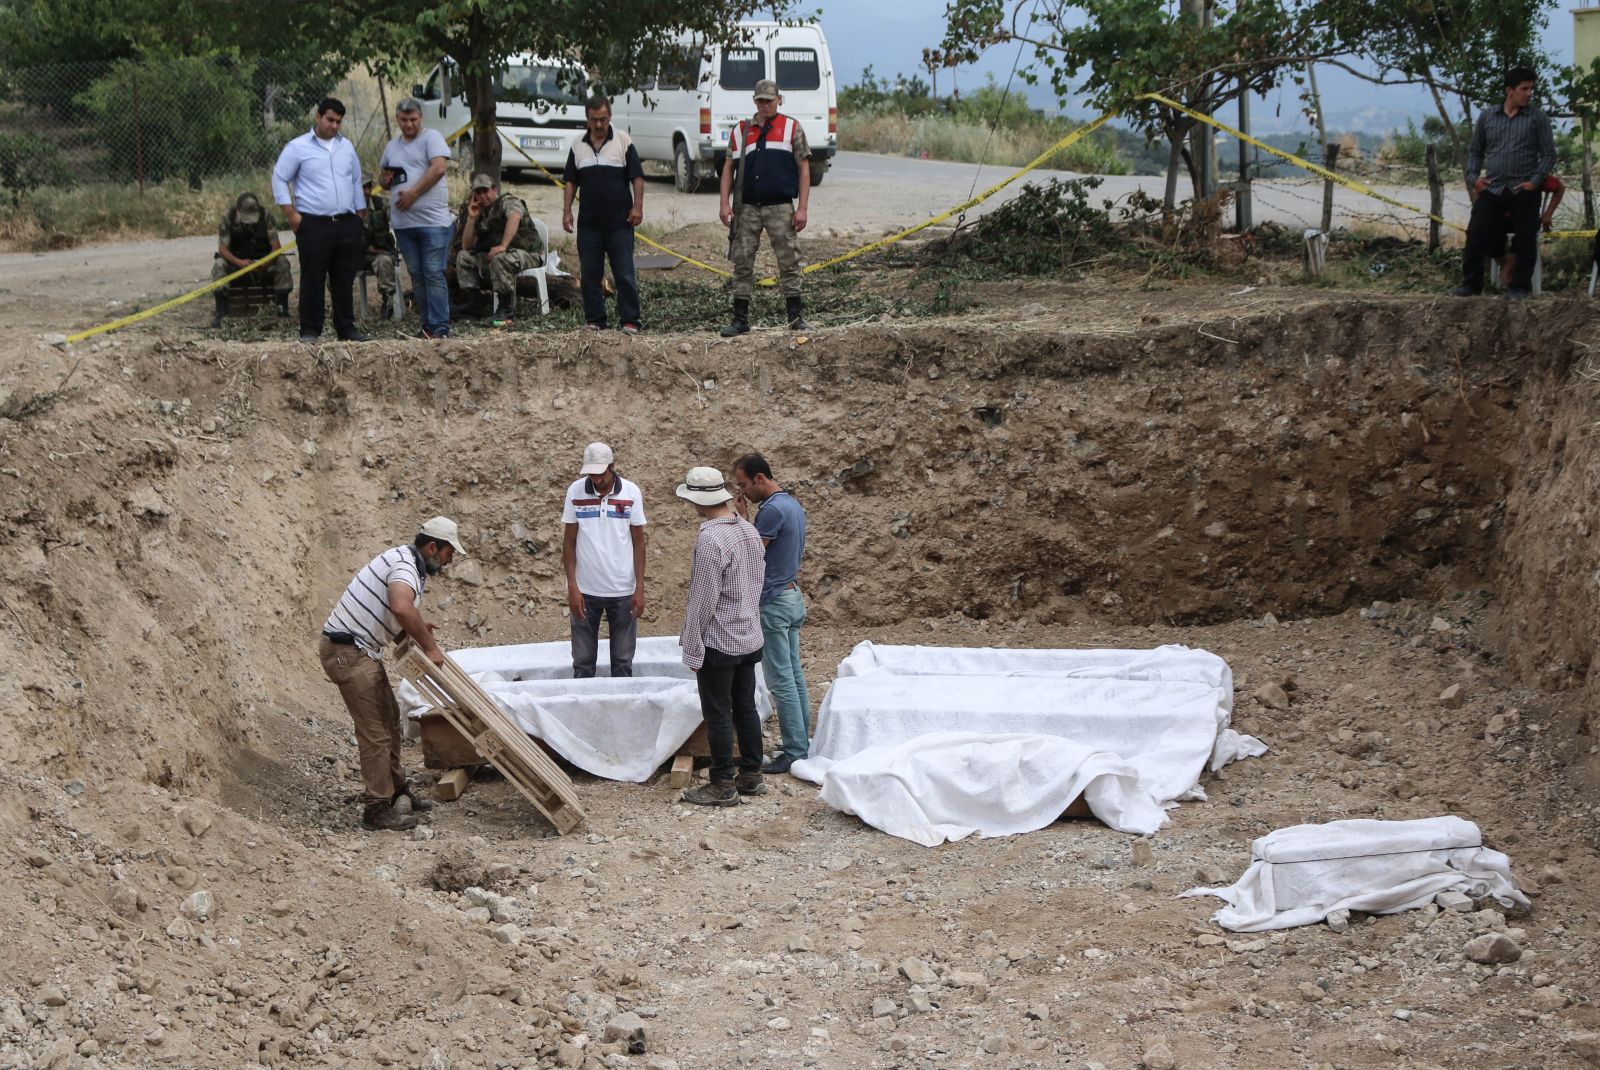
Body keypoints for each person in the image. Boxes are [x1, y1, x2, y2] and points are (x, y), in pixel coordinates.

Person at [319, 516, 467, 831]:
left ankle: (397, 791)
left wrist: (414, 628)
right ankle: (376, 808)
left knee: (389, 720)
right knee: (375, 733)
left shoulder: (406, 561)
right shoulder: (405, 566)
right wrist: (430, 647)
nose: (450, 560)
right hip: (348, 652)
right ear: (432, 547)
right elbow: (400, 606)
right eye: (448, 552)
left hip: (360, 651)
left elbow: (394, 611)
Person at [676, 465, 767, 807]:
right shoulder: (748, 530)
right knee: (745, 708)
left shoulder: (710, 539)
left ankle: (722, 783)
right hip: (748, 633)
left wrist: (692, 645)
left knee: (717, 713)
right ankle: (751, 775)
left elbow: (703, 599)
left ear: (698, 500)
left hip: (720, 639)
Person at [1449, 67, 1557, 301]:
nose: (1529, 93)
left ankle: (1519, 287)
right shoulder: (1488, 116)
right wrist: (1474, 178)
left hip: (1523, 189)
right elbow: (1476, 151)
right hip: (1493, 187)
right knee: (1476, 233)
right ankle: (1471, 285)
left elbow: (1549, 154)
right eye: (1524, 89)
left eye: (1531, 89)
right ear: (1510, 90)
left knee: (1526, 238)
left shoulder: (1537, 118)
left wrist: (1535, 182)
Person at [731, 453, 809, 774]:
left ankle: (794, 750)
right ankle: (801, 742)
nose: (742, 491)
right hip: (791, 595)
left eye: (744, 484)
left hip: (774, 602)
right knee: (794, 674)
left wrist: (741, 520)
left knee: (780, 680)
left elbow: (751, 555)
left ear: (760, 478)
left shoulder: (772, 510)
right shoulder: (791, 505)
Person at [272, 97, 372, 343]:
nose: (334, 126)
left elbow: (355, 179)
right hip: (313, 224)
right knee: (313, 277)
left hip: (346, 222)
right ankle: (310, 329)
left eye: (338, 121)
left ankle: (346, 328)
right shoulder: (297, 147)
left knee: (343, 277)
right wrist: (292, 215)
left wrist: (360, 214)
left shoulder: (346, 147)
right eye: (330, 120)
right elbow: (279, 178)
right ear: (318, 117)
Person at [719, 78, 812, 336]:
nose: (765, 105)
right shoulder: (740, 131)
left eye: (770, 100)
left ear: (778, 100)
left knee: (789, 262)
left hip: (781, 207)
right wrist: (724, 204)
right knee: (742, 262)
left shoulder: (792, 128)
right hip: (747, 208)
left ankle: (795, 318)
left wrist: (802, 208)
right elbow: (728, 168)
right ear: (755, 101)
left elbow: (804, 169)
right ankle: (740, 320)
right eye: (761, 100)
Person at [561, 442, 647, 678]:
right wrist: (572, 586)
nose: (597, 480)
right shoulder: (575, 491)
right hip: (585, 591)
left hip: (623, 591)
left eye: (601, 474)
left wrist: (639, 588)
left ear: (612, 466)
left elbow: (639, 543)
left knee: (623, 663)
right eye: (592, 475)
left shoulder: (631, 492)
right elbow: (568, 543)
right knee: (582, 663)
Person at [561, 94, 645, 334]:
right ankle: (595, 320)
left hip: (620, 224)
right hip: (589, 225)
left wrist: (637, 207)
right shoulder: (577, 145)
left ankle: (630, 320)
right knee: (590, 275)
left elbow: (637, 177)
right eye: (594, 120)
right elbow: (571, 181)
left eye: (603, 119)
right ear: (587, 119)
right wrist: (566, 211)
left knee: (624, 274)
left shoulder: (623, 141)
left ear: (610, 117)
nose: (599, 124)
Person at [380, 98, 453, 338]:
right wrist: (385, 180)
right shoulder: (392, 146)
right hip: (404, 224)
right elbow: (383, 178)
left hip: (433, 222)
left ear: (420, 117)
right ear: (397, 119)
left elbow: (439, 168)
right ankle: (427, 326)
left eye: (413, 119)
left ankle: (440, 327)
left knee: (433, 273)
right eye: (404, 120)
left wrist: (413, 193)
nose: (409, 124)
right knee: (417, 276)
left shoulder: (431, 138)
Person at [457, 173, 540, 321]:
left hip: (529, 254)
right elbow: (467, 245)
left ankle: (505, 309)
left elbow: (514, 216)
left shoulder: (508, 202)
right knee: (463, 257)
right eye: (478, 193)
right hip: (502, 256)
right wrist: (471, 218)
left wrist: (503, 245)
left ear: (494, 189)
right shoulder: (482, 213)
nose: (482, 196)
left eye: (485, 191)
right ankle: (473, 305)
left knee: (499, 257)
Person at [209, 191, 292, 327]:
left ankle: (283, 308)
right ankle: (221, 312)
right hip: (236, 262)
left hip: (263, 261)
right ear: (238, 210)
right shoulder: (228, 217)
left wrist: (265, 263)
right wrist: (239, 263)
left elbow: (276, 247)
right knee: (219, 265)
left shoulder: (266, 216)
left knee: (283, 263)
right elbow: (223, 249)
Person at [1495, 174, 1565, 288]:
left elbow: (1559, 187)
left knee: (1525, 232)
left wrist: (1548, 214)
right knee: (1485, 231)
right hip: (1501, 218)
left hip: (1527, 218)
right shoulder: (1497, 172)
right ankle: (1506, 267)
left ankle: (1507, 271)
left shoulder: (1533, 173)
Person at [361, 179, 398, 319]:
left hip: (378, 253)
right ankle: (340, 308)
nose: (366, 191)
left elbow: (395, 214)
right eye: (362, 187)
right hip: (353, 255)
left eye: (368, 187)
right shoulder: (345, 207)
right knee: (334, 268)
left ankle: (387, 303)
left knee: (385, 260)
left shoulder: (381, 203)